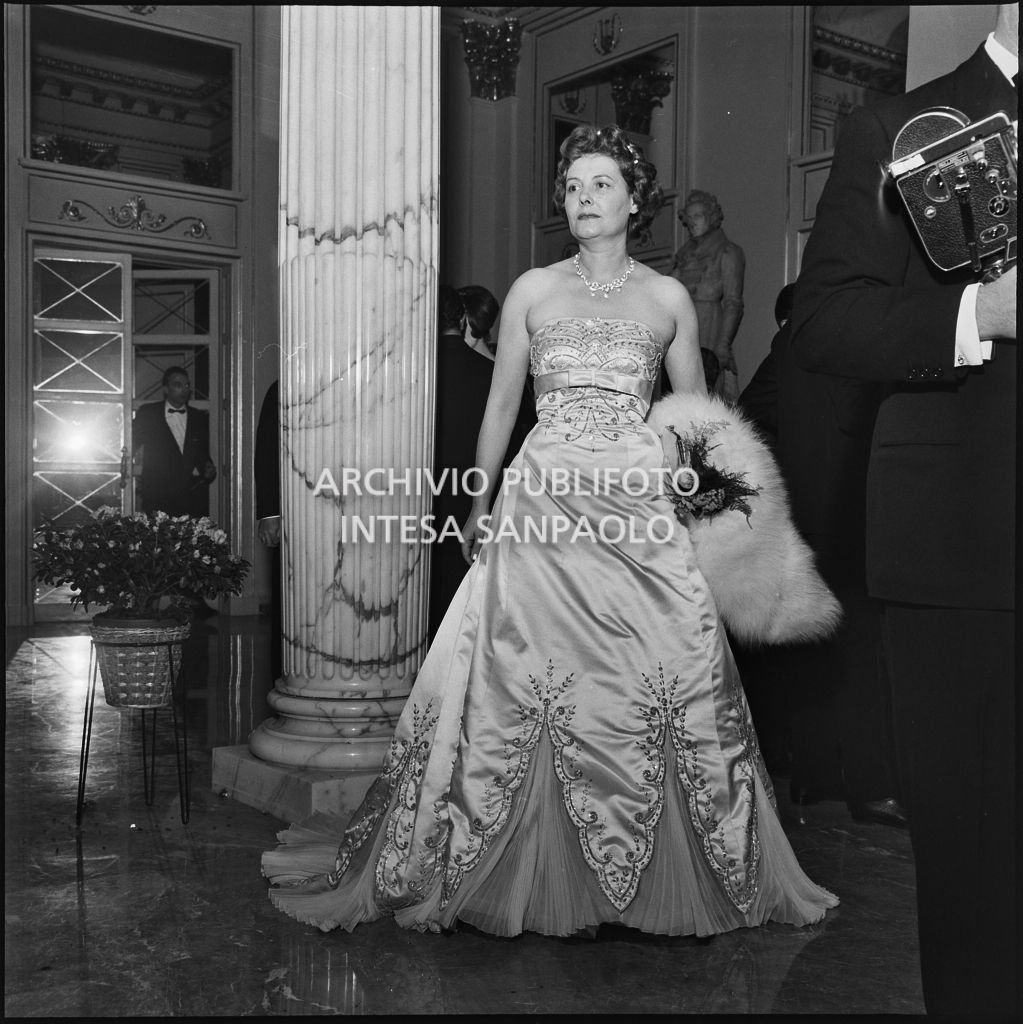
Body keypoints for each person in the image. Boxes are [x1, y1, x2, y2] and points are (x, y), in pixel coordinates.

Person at [263, 123, 837, 940]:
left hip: (636, 505)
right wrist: (478, 501)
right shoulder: (532, 289)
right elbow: (503, 405)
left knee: (661, 659)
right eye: (571, 188)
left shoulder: (669, 297)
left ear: (635, 202)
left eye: (600, 185)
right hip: (543, 497)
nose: (581, 200)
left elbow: (694, 419)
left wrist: (701, 508)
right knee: (521, 664)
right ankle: (510, 851)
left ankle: (648, 860)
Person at [788, 6, 1017, 1015]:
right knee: (976, 857)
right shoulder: (900, 127)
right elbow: (826, 318)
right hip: (967, 541)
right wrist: (980, 313)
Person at [740, 285, 905, 828]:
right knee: (860, 648)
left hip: (805, 510)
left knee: (813, 641)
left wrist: (787, 468)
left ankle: (814, 777)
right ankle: (870, 788)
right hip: (856, 506)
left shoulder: (789, 342)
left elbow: (749, 413)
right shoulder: (863, 335)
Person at [429, 285, 534, 642]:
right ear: (461, 319)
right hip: (482, 507)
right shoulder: (497, 379)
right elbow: (521, 447)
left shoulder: (407, 377)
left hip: (417, 508)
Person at [669, 190, 745, 403]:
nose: (692, 222)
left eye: (698, 216)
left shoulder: (728, 252)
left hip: (710, 324)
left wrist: (723, 345)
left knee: (710, 392)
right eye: (689, 217)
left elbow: (733, 303)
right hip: (683, 325)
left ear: (711, 218)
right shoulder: (684, 256)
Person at [133, 366, 216, 518]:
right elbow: (132, 442)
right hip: (156, 494)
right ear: (165, 389)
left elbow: (202, 454)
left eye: (187, 385)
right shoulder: (148, 413)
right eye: (178, 385)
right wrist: (127, 467)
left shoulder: (199, 418)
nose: (184, 390)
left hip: (188, 495)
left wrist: (207, 468)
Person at [254, 379, 282, 682]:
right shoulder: (281, 387)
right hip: (294, 513)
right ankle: (283, 674)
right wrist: (270, 512)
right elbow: (266, 450)